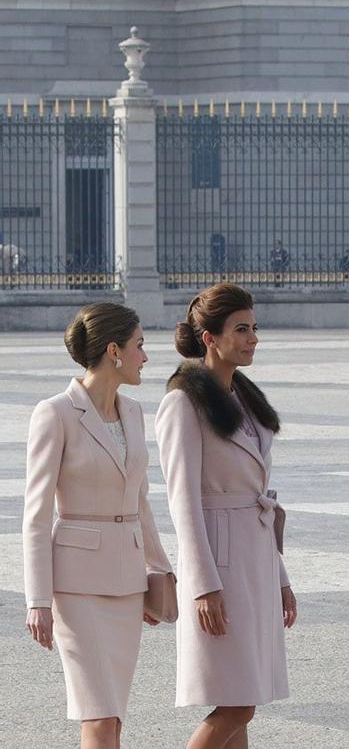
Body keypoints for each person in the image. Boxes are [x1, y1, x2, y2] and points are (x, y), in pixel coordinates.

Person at [23, 303, 172, 748]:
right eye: (140, 345)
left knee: (115, 718)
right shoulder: (55, 413)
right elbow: (35, 515)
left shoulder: (135, 414)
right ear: (114, 351)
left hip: (127, 586)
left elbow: (141, 503)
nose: (146, 356)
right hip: (77, 587)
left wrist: (159, 574)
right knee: (100, 716)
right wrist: (38, 601)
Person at [156, 283, 296, 749]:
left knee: (244, 699)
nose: (253, 338)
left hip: (255, 562)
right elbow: (182, 502)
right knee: (238, 703)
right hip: (221, 566)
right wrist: (203, 585)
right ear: (209, 338)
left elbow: (260, 498)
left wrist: (280, 577)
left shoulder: (247, 402)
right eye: (240, 329)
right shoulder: (183, 403)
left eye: (254, 328)